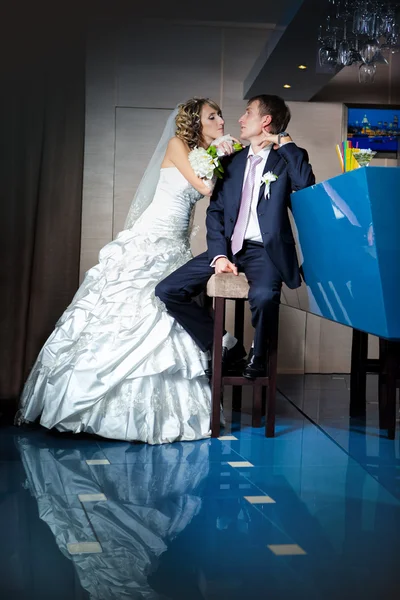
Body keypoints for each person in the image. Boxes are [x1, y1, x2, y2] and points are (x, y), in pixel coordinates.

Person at [16, 97, 239, 444]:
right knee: (127, 306)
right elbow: (204, 187)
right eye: (213, 116)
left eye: (221, 115)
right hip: (151, 236)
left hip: (176, 244)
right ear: (196, 122)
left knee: (166, 308)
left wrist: (223, 154)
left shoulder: (208, 150)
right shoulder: (177, 144)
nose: (222, 121)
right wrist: (220, 154)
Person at [156, 94, 315, 379]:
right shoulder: (233, 161)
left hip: (263, 250)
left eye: (248, 113)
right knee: (168, 290)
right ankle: (225, 345)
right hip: (227, 248)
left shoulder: (288, 158)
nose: (239, 119)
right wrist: (218, 255)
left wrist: (285, 141)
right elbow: (215, 212)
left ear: (265, 120)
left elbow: (305, 186)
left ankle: (259, 352)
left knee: (265, 296)